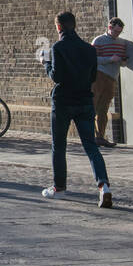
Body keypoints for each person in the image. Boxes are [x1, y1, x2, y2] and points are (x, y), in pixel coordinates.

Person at [41, 11, 113, 207]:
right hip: (84, 102)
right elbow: (91, 78)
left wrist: (46, 63)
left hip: (63, 102)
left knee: (59, 146)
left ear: (59, 27)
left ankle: (59, 188)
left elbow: (57, 76)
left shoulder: (58, 48)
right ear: (75, 25)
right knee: (91, 146)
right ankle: (103, 186)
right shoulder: (89, 49)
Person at [91, 17, 131, 148]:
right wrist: (110, 59)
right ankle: (89, 136)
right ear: (109, 28)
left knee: (104, 108)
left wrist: (123, 62)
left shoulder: (121, 43)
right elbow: (92, 59)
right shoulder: (99, 40)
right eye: (115, 31)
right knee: (93, 106)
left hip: (112, 77)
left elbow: (122, 62)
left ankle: (100, 137)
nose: (117, 34)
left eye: (119, 32)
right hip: (99, 75)